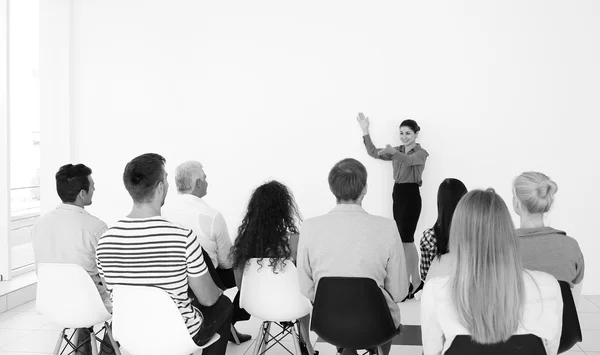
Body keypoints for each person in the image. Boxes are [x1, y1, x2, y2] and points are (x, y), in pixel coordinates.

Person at [96, 153, 232, 355]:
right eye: (166, 179)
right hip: (177, 335)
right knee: (223, 304)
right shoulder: (183, 238)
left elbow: (115, 293)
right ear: (160, 187)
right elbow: (208, 300)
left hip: (129, 332)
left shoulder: (105, 241)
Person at [421, 189, 563, 355]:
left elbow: (432, 351)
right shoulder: (547, 286)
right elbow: (551, 350)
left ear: (458, 235)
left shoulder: (436, 291)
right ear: (507, 232)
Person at [297, 158, 409, 355]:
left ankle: (347, 348)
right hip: (378, 324)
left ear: (332, 188)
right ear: (364, 188)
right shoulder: (387, 228)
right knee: (381, 316)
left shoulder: (310, 227)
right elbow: (399, 292)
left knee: (347, 318)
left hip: (328, 324)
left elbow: (306, 289)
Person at [162, 160, 250, 343]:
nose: (207, 182)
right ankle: (230, 319)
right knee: (243, 268)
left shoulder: (163, 212)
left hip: (170, 280)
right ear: (198, 184)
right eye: (205, 178)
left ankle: (228, 327)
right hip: (205, 282)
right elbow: (228, 262)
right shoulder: (211, 216)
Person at [31, 163, 116, 355]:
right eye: (92, 185)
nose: (95, 189)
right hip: (89, 305)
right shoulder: (96, 228)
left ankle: (81, 349)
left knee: (84, 293)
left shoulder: (39, 224)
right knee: (123, 300)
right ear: (82, 194)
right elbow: (111, 275)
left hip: (51, 302)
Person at [230, 180, 316, 355]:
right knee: (302, 295)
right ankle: (306, 342)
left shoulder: (243, 243)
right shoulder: (294, 240)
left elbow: (240, 285)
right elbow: (306, 282)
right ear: (283, 209)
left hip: (256, 304)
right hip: (293, 305)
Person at [357, 112, 428, 300]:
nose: (404, 137)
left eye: (408, 134)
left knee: (407, 239)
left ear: (416, 134)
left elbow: (410, 161)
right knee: (403, 239)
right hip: (397, 194)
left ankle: (412, 281)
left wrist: (395, 152)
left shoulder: (421, 153)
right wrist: (365, 131)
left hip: (411, 195)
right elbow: (373, 152)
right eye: (402, 133)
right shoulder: (396, 151)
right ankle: (414, 283)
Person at [512, 172, 585, 301]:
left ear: (517, 202)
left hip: (511, 320)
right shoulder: (571, 246)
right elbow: (573, 304)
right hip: (561, 320)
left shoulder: (500, 247)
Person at [418, 178, 467, 288]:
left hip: (436, 295)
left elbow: (426, 275)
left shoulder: (429, 237)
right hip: (468, 293)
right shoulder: (473, 233)